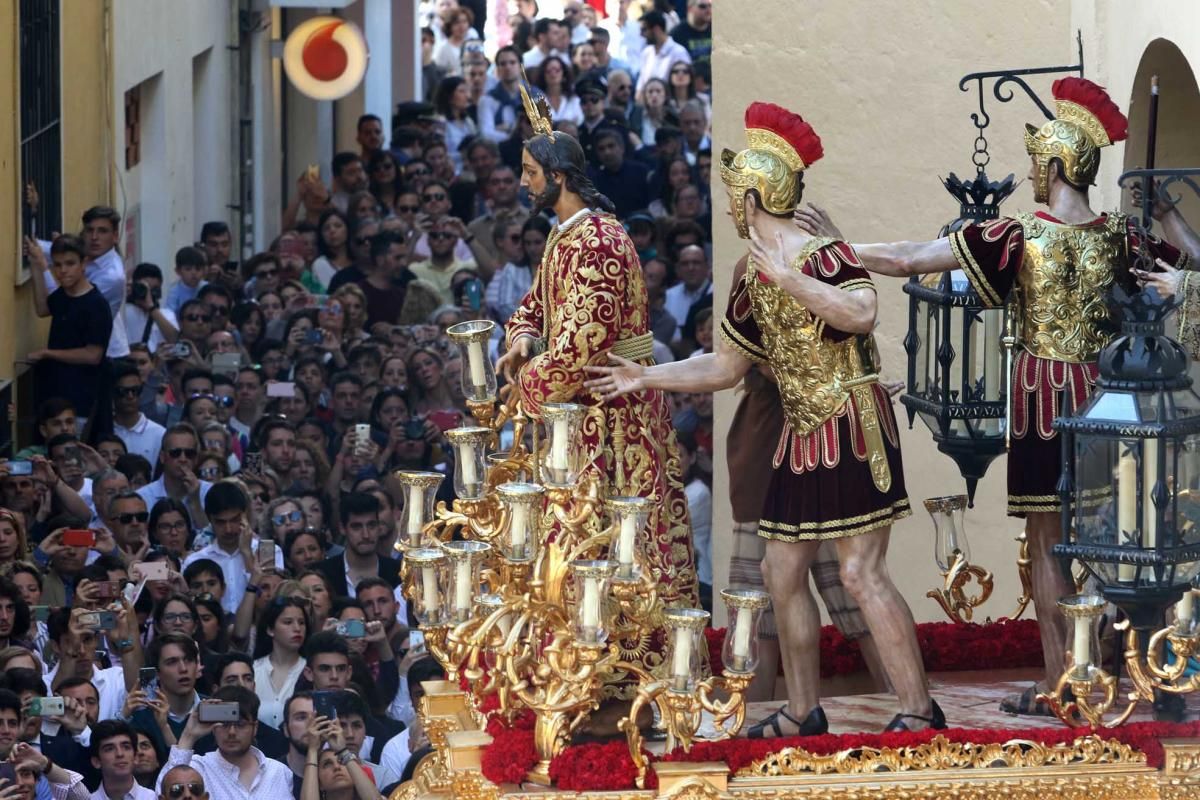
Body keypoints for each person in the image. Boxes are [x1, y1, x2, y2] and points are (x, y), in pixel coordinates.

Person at [797, 78, 1193, 717]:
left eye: (1040, 160)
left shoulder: (1014, 237)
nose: (1033, 171)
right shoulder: (1122, 235)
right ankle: (1113, 670)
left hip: (1043, 402)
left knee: (1047, 544)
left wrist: (833, 249)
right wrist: (1171, 216)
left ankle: (1065, 678)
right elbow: (1194, 267)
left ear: (1061, 163)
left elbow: (909, 258)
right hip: (1109, 405)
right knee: (1117, 538)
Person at [586, 101, 941, 735]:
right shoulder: (751, 276)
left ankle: (918, 709)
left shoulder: (823, 254)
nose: (728, 202)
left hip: (854, 421)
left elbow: (862, 314)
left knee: (861, 572)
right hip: (803, 429)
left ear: (755, 194)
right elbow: (724, 368)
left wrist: (793, 279)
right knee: (781, 570)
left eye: (734, 190)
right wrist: (646, 376)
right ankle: (804, 713)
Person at [495, 87, 699, 722]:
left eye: (530, 174)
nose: (523, 184)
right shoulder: (564, 236)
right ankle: (591, 670)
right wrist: (523, 335)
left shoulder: (601, 243)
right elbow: (537, 308)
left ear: (558, 177)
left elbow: (581, 352)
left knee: (629, 548)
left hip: (616, 418)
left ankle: (642, 675)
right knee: (587, 547)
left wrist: (517, 393)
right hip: (582, 419)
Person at [24, 235, 113, 427]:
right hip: (55, 396)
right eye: (57, 264)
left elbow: (93, 355)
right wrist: (36, 265)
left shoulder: (96, 305)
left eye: (70, 263)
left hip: (81, 401)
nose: (63, 270)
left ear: (84, 264)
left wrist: (48, 353)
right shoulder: (63, 296)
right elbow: (43, 307)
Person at [156, 689, 292, 800]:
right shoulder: (199, 767)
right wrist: (188, 736)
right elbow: (162, 792)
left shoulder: (279, 772)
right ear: (213, 726)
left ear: (255, 727)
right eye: (224, 724)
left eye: (240, 724)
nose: (232, 732)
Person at [89, 720, 156, 800]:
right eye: (109, 749)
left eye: (126, 747)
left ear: (135, 757)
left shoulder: (154, 798)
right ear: (96, 761)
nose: (120, 754)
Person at [635, 10, 691, 96]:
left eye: (644, 30)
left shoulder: (679, 53)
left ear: (656, 29)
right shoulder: (646, 53)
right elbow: (640, 90)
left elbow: (685, 90)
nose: (641, 34)